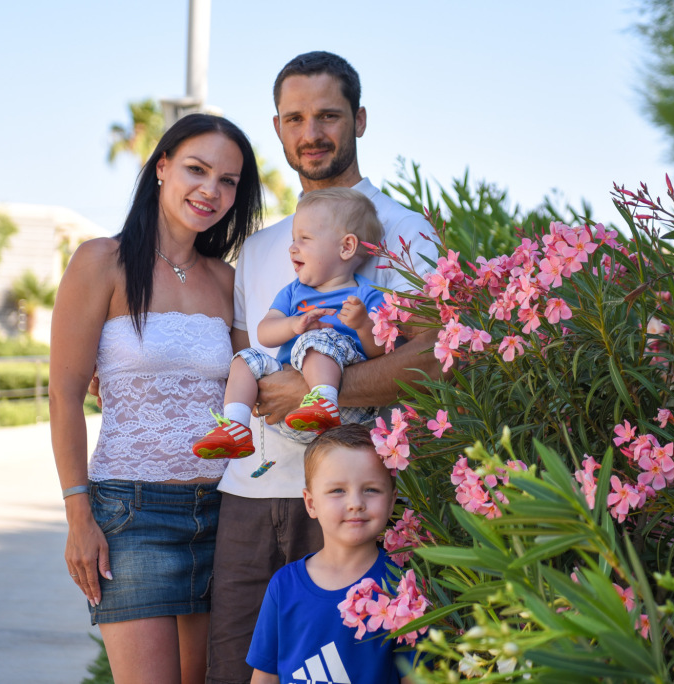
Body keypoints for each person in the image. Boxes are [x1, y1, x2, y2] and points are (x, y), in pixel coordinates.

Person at [206, 51, 440, 684]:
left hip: (350, 500)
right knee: (234, 671)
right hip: (249, 498)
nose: (312, 133)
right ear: (278, 128)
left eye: (329, 115)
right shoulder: (257, 247)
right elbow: (241, 357)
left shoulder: (404, 231)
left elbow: (437, 359)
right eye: (295, 118)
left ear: (360, 120)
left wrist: (315, 390)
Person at [50, 113, 262, 684]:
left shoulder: (227, 279)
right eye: (197, 169)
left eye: (228, 180)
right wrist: (78, 515)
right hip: (132, 513)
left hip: (223, 510)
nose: (211, 190)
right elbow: (65, 395)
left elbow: (255, 381)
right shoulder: (102, 262)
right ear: (162, 167)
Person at [191, 187, 388, 462]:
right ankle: (235, 426)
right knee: (244, 360)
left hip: (346, 410)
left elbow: (382, 351)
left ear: (346, 247)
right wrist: (293, 324)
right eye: (293, 239)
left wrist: (363, 325)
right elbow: (265, 333)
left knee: (318, 340)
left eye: (305, 239)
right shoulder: (294, 291)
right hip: (289, 412)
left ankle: (323, 401)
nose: (292, 247)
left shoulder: (367, 296)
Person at [246, 424, 415, 684]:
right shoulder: (284, 585)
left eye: (371, 489)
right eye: (338, 490)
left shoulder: (402, 588)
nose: (355, 503)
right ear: (311, 503)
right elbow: (265, 676)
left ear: (392, 501)